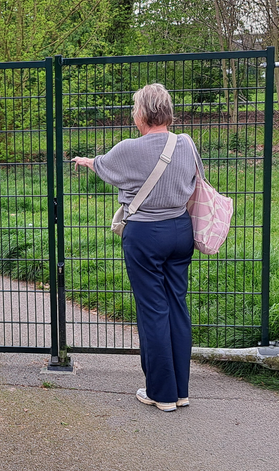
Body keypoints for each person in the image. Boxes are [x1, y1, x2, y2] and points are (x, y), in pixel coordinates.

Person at [72, 83, 203, 412]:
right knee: (177, 307)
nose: (133, 114)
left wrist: (86, 161)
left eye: (134, 109)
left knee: (153, 312)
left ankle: (161, 394)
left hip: (146, 235)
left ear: (143, 114)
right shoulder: (185, 143)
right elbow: (195, 180)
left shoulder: (130, 148)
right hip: (181, 231)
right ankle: (181, 391)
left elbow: (103, 165)